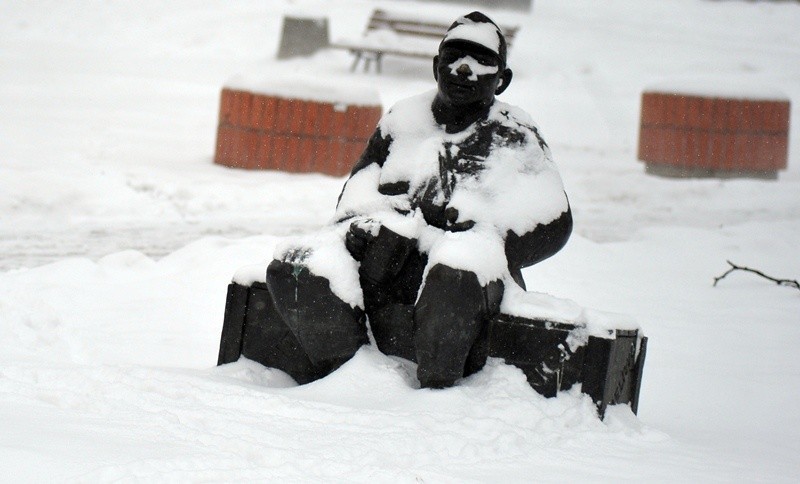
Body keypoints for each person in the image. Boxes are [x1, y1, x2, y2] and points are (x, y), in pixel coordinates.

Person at [263, 11, 572, 388]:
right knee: (296, 267)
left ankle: (433, 397)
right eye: (454, 57)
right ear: (435, 64)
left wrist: (485, 234)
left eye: (481, 61)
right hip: (385, 264)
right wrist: (361, 223)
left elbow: (554, 219)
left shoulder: (514, 134)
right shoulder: (403, 119)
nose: (463, 69)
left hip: (466, 282)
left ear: (502, 80)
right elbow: (358, 188)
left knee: (453, 273)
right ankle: (351, 379)